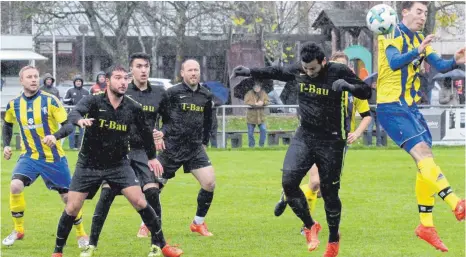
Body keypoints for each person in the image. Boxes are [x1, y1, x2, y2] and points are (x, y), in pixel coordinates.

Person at [231, 42, 371, 257]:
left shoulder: (338, 71)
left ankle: (333, 240)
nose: (308, 72)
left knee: (330, 193)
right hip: (305, 135)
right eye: (306, 68)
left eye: (313, 69)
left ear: (323, 62)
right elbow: (277, 71)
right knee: (288, 181)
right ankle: (310, 225)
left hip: (332, 140)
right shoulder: (300, 69)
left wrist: (349, 86)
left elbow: (366, 91)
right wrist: (250, 71)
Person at [50, 65, 182, 257]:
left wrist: (152, 157)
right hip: (89, 164)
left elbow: (146, 134)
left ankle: (163, 246)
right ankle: (57, 252)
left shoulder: (133, 107)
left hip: (118, 164)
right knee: (72, 207)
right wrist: (77, 123)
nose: (123, 82)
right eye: (118, 78)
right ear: (108, 80)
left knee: (140, 201)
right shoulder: (94, 101)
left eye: (125, 79)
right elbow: (74, 115)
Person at [376, 1, 465, 252]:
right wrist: (419, 50)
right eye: (418, 11)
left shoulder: (420, 40)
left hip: (411, 109)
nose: (423, 16)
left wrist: (456, 61)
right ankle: (455, 201)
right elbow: (394, 62)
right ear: (404, 12)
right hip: (391, 107)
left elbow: (441, 65)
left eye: (425, 12)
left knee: (425, 162)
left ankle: (426, 226)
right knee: (424, 155)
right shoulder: (391, 32)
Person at [273, 51, 373, 230]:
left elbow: (366, 115)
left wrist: (356, 133)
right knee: (315, 182)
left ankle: (288, 196)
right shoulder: (318, 82)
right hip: (313, 138)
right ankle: (307, 225)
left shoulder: (351, 90)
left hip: (336, 142)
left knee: (322, 190)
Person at [2, 66, 89, 248]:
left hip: (54, 158)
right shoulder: (14, 104)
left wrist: (54, 136)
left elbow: (68, 126)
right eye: (29, 77)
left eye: (36, 76)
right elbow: (8, 124)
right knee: (15, 185)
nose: (34, 79)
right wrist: (7, 145)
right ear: (21, 81)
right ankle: (18, 230)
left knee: (68, 199)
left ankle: (81, 234)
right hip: (30, 157)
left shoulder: (50, 101)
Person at [152, 59, 216, 237]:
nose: (194, 73)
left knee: (209, 183)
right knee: (154, 186)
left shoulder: (205, 94)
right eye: (190, 70)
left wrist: (204, 141)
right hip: (171, 147)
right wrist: (158, 134)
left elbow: (209, 121)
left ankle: (198, 223)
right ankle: (146, 223)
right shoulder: (172, 93)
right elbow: (158, 115)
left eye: (196, 70)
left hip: (195, 148)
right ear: (182, 73)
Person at [63, 75, 90, 150]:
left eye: (79, 81)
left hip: (83, 115)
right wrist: (71, 100)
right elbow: (65, 101)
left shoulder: (86, 92)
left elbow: (90, 102)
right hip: (73, 114)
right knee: (72, 130)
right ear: (74, 82)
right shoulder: (70, 91)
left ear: (82, 82)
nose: (78, 83)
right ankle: (72, 147)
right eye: (77, 81)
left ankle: (80, 146)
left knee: (83, 131)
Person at [244, 82, 269, 147]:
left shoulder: (263, 93)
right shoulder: (249, 93)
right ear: (253, 87)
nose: (257, 88)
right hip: (251, 117)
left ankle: (261, 145)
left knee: (263, 130)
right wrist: (254, 104)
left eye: (258, 87)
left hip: (261, 117)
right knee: (250, 133)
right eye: (255, 87)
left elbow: (268, 101)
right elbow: (246, 101)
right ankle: (251, 146)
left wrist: (263, 103)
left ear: (260, 87)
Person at [365, 82, 385, 146]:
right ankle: (369, 144)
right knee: (370, 127)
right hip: (371, 111)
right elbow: (365, 101)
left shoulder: (380, 91)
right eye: (373, 84)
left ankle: (379, 143)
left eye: (376, 84)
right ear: (371, 85)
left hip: (379, 111)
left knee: (379, 127)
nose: (374, 85)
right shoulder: (368, 91)